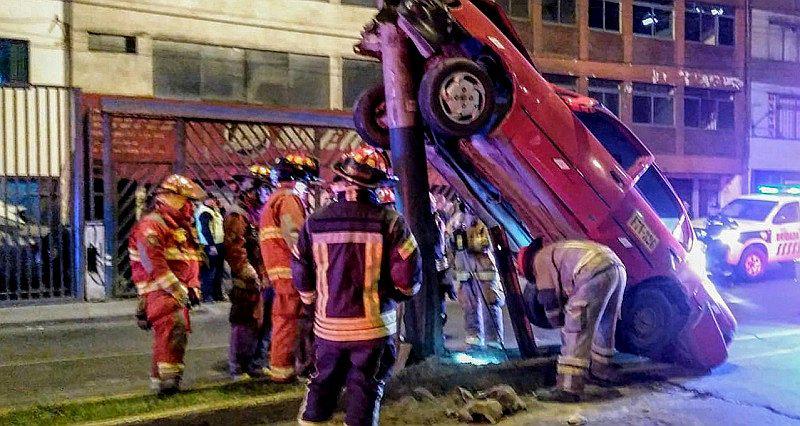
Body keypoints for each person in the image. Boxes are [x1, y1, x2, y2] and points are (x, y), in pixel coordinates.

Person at [293, 145, 422, 426]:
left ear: (340, 181)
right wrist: (399, 294)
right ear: (377, 185)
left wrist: (310, 300)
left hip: (328, 327)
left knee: (321, 385)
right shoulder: (391, 222)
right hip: (374, 328)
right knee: (365, 389)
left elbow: (300, 267)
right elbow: (408, 274)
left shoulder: (314, 222)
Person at [518, 238, 627, 402]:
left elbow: (549, 300)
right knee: (605, 322)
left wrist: (559, 322)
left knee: (575, 328)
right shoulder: (556, 249)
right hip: (615, 266)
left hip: (592, 271)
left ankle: (568, 388)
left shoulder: (539, 261)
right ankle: (601, 371)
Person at [130, 174, 205, 394]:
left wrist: (193, 285)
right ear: (171, 198)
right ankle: (168, 383)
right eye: (186, 200)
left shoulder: (180, 228)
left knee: (171, 333)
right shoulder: (151, 225)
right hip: (159, 291)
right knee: (173, 329)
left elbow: (191, 258)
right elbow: (153, 263)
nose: (190, 206)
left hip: (174, 291)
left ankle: (161, 381)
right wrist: (178, 289)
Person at [259, 153, 320, 383]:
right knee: (290, 321)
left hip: (281, 271)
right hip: (290, 271)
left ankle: (282, 368)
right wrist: (313, 263)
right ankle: (285, 371)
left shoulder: (274, 199)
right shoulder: (288, 200)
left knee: (285, 319)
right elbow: (296, 236)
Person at [223, 165, 273, 380]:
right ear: (250, 190)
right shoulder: (238, 215)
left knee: (265, 322)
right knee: (245, 322)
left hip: (265, 277)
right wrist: (248, 272)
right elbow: (235, 248)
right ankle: (238, 368)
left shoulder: (260, 213)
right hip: (248, 280)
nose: (266, 194)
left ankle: (256, 364)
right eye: (263, 189)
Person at [447, 201, 505, 349]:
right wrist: (453, 241)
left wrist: (470, 241)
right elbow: (449, 243)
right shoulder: (456, 220)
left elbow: (489, 242)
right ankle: (474, 339)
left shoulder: (483, 217)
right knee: (469, 305)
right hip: (465, 271)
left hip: (484, 269)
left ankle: (494, 341)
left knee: (490, 303)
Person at [195, 194, 225, 303]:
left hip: (219, 243)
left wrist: (221, 208)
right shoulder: (204, 212)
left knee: (218, 271)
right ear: (205, 200)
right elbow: (205, 230)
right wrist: (211, 245)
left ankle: (217, 294)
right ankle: (207, 295)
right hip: (210, 245)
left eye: (213, 200)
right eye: (211, 200)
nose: (213, 202)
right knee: (209, 271)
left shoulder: (213, 211)